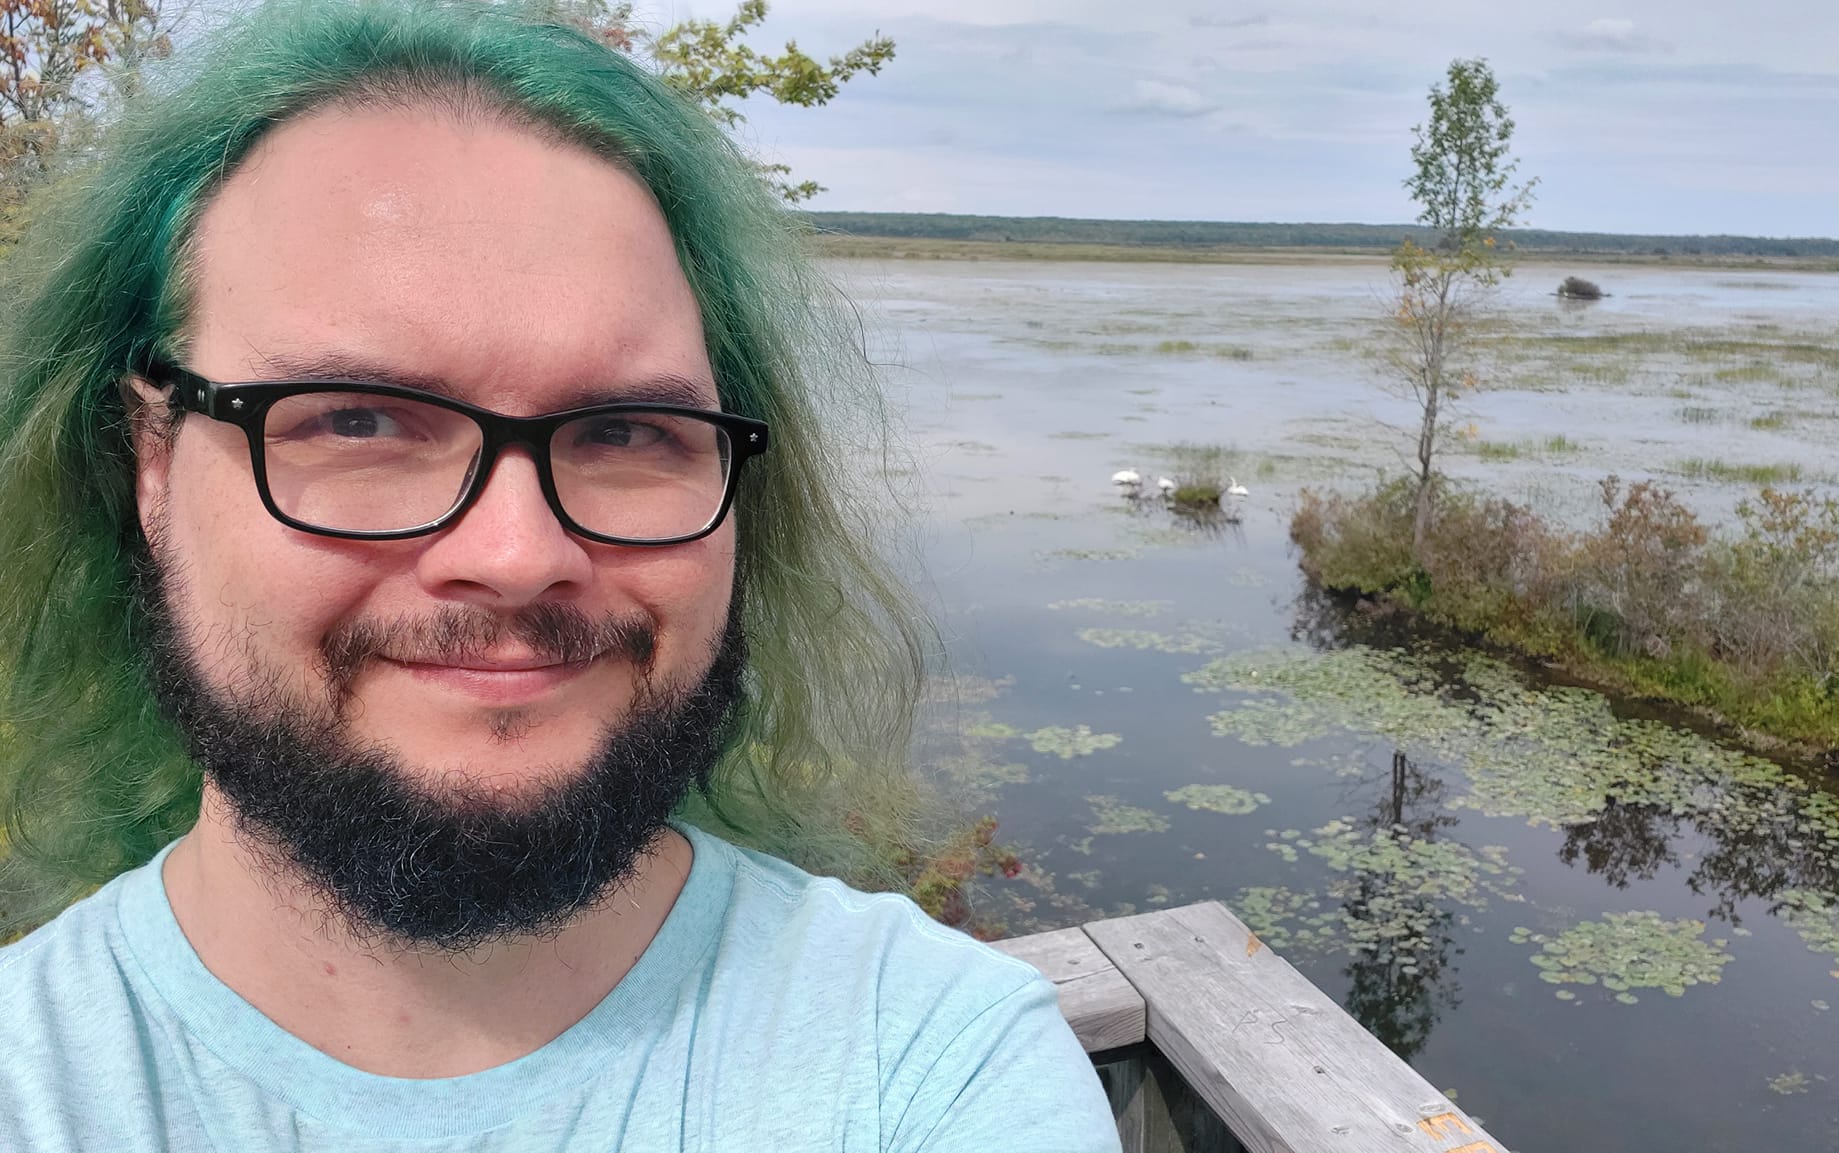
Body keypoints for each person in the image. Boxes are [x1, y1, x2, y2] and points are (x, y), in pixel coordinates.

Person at [0, 1, 1119, 1148]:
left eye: (628, 433)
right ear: (150, 462)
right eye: (357, 420)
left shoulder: (929, 1066)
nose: (517, 554)